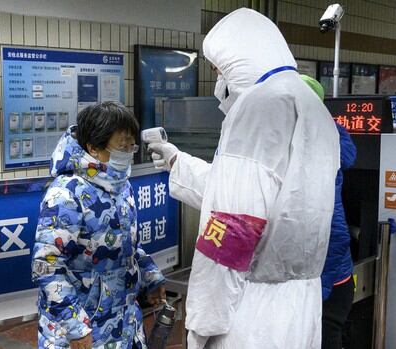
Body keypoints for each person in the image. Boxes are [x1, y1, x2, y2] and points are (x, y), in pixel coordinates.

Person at [148, 8, 340, 348]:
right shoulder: (310, 105)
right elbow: (267, 202)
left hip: (249, 315)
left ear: (239, 61)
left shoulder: (257, 106)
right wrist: (178, 161)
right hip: (299, 310)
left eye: (218, 69)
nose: (218, 80)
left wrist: (202, 323)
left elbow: (234, 225)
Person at [32, 102, 166, 349]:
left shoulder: (121, 185)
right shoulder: (65, 194)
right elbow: (47, 267)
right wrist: (76, 327)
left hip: (124, 326)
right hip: (82, 331)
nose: (128, 152)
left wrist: (151, 277)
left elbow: (127, 246)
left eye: (131, 145)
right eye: (121, 145)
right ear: (93, 148)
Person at [301, 75, 357, 349]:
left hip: (331, 282)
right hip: (321, 279)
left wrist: (318, 290)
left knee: (326, 337)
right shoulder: (324, 144)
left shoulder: (321, 156)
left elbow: (335, 234)